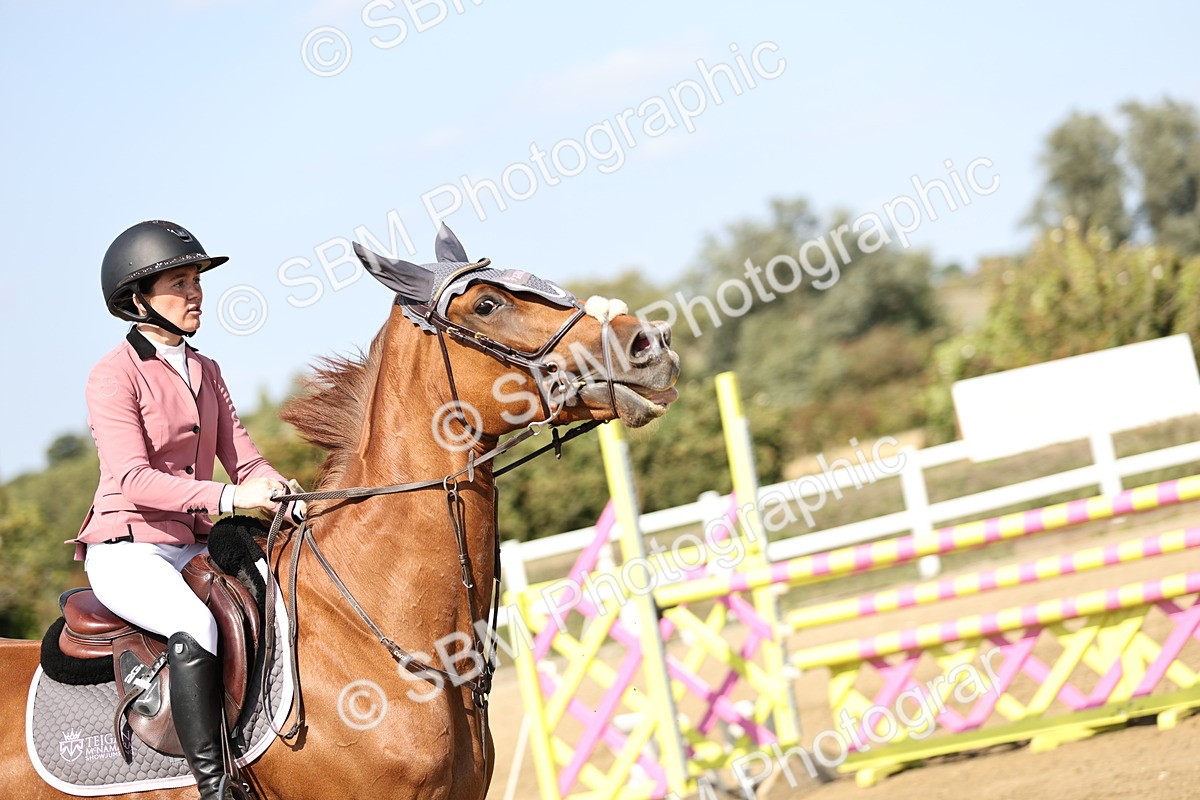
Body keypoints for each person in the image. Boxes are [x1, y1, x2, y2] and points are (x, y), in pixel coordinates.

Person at [72, 219, 302, 800]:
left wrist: (284, 492)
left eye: (197, 279)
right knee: (195, 623)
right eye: (180, 282)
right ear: (138, 300)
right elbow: (132, 479)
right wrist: (227, 498)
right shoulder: (112, 375)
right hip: (130, 549)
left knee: (286, 594)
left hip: (192, 545)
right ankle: (214, 786)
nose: (196, 292)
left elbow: (246, 462)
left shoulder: (207, 369)